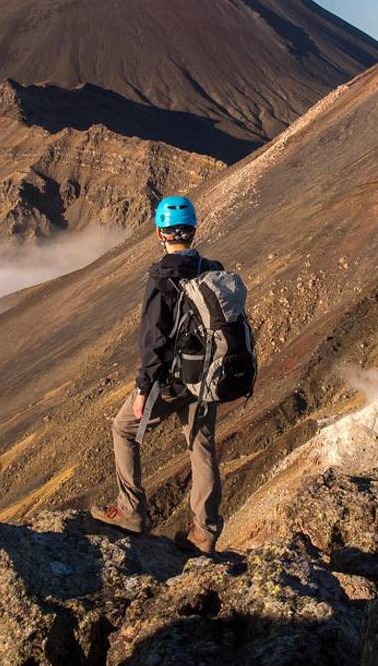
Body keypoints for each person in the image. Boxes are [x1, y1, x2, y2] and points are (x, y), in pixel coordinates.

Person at [90, 195, 224, 554]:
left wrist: (143, 389)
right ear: (194, 230)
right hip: (206, 377)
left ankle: (132, 511)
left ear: (159, 233)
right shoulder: (212, 268)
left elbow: (153, 340)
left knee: (124, 429)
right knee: (202, 447)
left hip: (172, 380)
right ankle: (205, 533)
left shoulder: (161, 278)